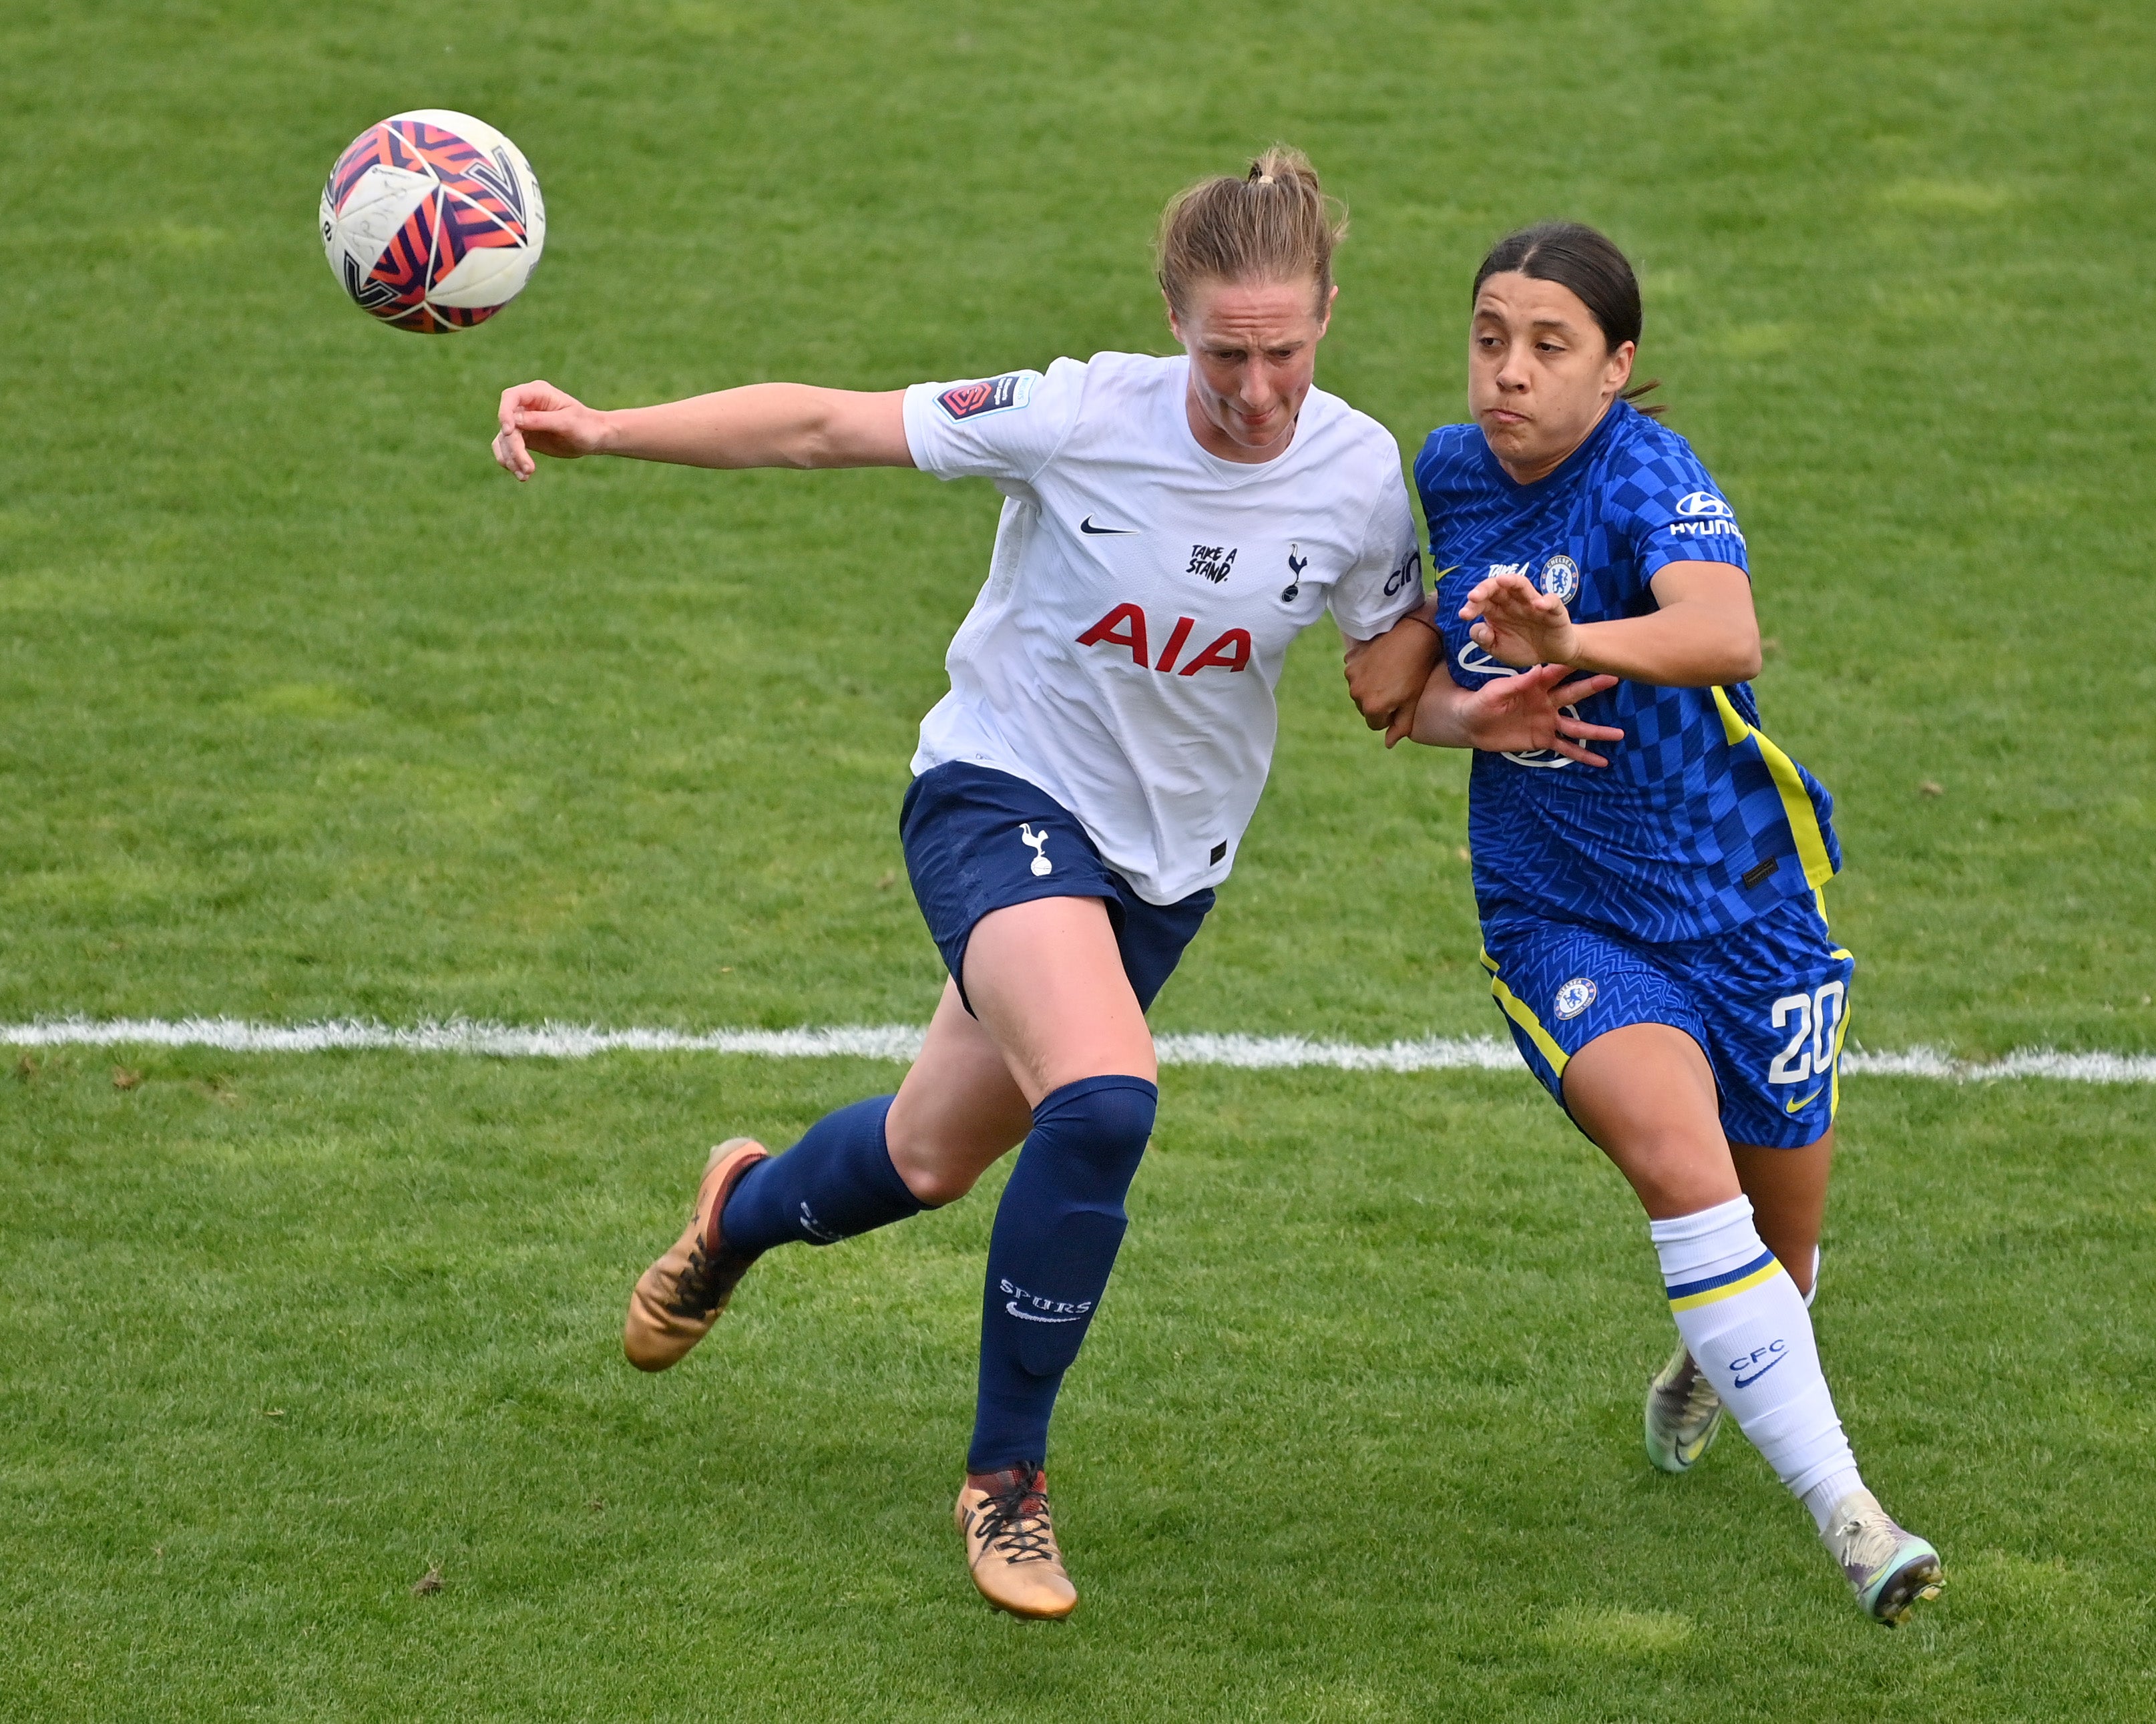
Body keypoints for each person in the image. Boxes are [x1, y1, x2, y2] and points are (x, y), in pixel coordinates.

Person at [487, 153, 1616, 1620]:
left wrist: (1486, 708)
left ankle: (741, 1213)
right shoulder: (1081, 413)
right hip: (997, 793)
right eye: (1226, 352)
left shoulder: (1353, 476)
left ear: (1329, 315)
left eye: (1286, 351)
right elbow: (831, 429)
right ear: (1172, 318)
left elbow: (1380, 683)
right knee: (1105, 1094)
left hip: (1165, 870)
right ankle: (1005, 1482)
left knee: (929, 1158)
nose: (1259, 387)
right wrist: (603, 429)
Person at [1395, 222, 1944, 1625]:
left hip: (1742, 903)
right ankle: (1854, 1517)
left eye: (1548, 346)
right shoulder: (1446, 475)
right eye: (1488, 337)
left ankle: (1723, 1351)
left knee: (1782, 1244)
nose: (1507, 373)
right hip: (1561, 911)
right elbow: (1397, 683)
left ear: (1617, 364)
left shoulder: (1648, 473)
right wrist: (1466, 705)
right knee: (1682, 1169)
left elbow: (1725, 634)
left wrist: (1571, 646)